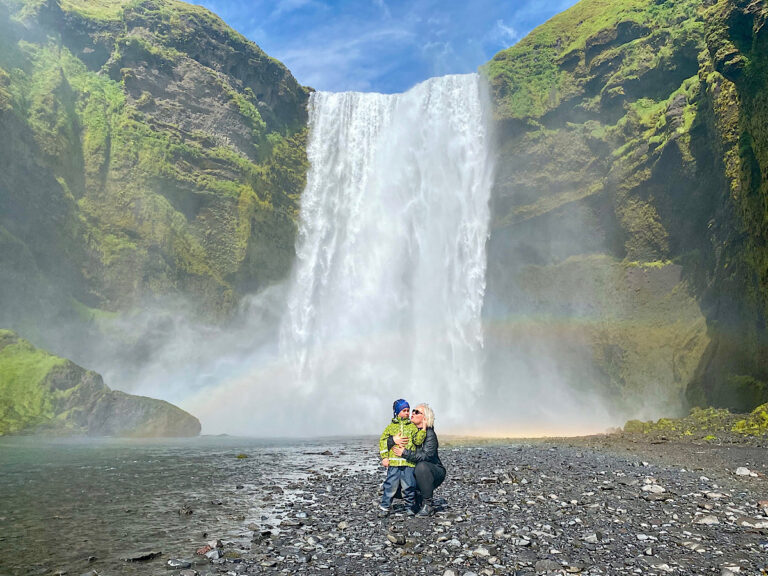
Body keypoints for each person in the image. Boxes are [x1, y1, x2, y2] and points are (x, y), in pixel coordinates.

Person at [390, 403, 445, 517]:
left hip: (433, 472)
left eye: (416, 412)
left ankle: (428, 505)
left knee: (421, 466)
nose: (412, 413)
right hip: (414, 471)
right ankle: (417, 498)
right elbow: (386, 440)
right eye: (413, 411)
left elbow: (426, 456)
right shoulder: (408, 430)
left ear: (425, 418)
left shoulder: (430, 434)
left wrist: (405, 453)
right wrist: (392, 440)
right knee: (391, 485)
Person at [378, 399, 426, 517]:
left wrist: (423, 429)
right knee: (390, 485)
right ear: (397, 412)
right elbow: (383, 441)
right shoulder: (390, 428)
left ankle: (409, 507)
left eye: (408, 410)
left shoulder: (412, 427)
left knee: (409, 485)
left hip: (408, 463)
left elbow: (417, 441)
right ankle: (385, 507)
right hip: (394, 463)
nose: (407, 413)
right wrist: (384, 457)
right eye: (404, 410)